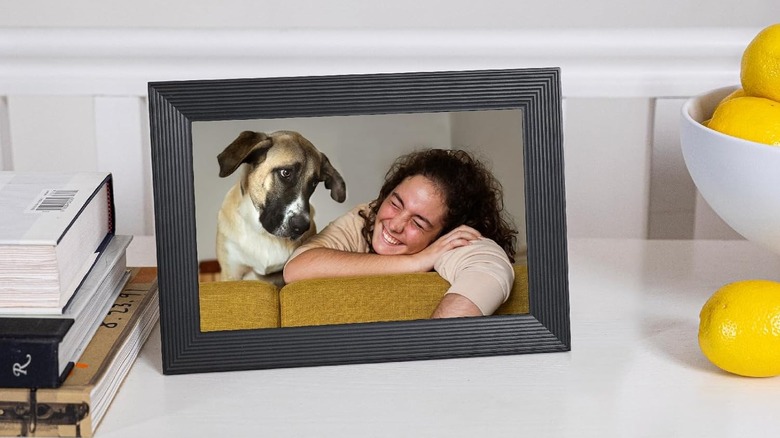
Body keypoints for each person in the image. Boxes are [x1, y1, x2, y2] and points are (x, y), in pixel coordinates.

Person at [283, 148, 518, 318]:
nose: (395, 224)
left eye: (418, 223)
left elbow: (489, 269)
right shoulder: (368, 216)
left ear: (443, 233)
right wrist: (416, 262)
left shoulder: (451, 241)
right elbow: (297, 268)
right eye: (395, 203)